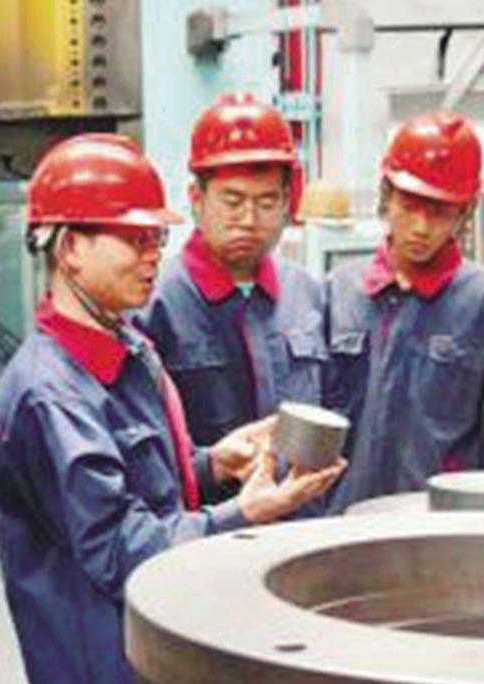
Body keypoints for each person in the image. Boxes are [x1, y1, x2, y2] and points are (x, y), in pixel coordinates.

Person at [0, 133, 344, 684]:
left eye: (156, 237)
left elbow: (137, 482)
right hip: (101, 662)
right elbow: (118, 547)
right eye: (133, 239)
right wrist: (244, 514)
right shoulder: (51, 395)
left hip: (148, 646)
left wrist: (212, 463)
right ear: (70, 248)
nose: (153, 255)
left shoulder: (125, 351)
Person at [136, 93, 326, 502]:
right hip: (205, 530)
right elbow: (141, 463)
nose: (249, 220)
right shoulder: (155, 307)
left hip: (300, 525)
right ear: (197, 199)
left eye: (267, 202)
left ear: (286, 204)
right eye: (233, 201)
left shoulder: (307, 296)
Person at [323, 111, 484, 513]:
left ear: (465, 213)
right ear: (386, 196)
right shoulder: (337, 293)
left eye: (440, 212)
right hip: (342, 525)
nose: (421, 228)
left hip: (441, 530)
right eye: (409, 206)